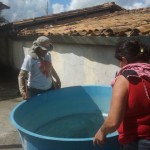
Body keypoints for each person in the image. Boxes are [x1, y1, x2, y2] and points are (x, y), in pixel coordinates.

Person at [93, 39, 150, 150]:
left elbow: (113, 122)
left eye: (120, 61)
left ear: (124, 60)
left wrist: (102, 131)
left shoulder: (125, 79)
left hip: (137, 143)